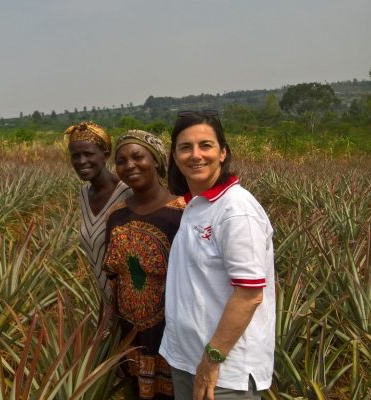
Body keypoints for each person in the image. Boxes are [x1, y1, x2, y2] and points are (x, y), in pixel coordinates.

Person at [159, 110, 275, 400]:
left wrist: (211, 360)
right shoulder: (197, 205)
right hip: (188, 360)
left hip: (224, 372)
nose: (195, 155)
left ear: (222, 153)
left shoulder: (236, 210)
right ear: (175, 156)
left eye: (206, 145)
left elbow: (249, 295)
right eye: (185, 147)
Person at [102, 130, 184, 400]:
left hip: (172, 336)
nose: (130, 165)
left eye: (138, 157)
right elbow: (114, 279)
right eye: (121, 161)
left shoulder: (182, 213)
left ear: (157, 161)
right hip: (131, 334)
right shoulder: (116, 216)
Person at [65, 121, 131, 307]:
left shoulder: (128, 194)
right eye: (75, 156)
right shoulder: (84, 194)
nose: (81, 161)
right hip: (104, 302)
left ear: (106, 155)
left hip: (133, 304)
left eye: (88, 154)